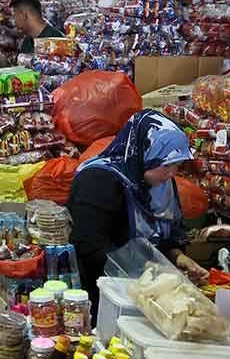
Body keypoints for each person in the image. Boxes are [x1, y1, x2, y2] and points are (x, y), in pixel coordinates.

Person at [67, 109, 207, 319]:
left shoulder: (159, 184)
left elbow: (165, 234)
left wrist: (178, 258)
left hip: (150, 294)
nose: (172, 174)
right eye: (166, 164)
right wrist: (149, 273)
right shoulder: (96, 181)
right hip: (105, 293)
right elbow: (89, 246)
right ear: (144, 151)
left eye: (177, 165)